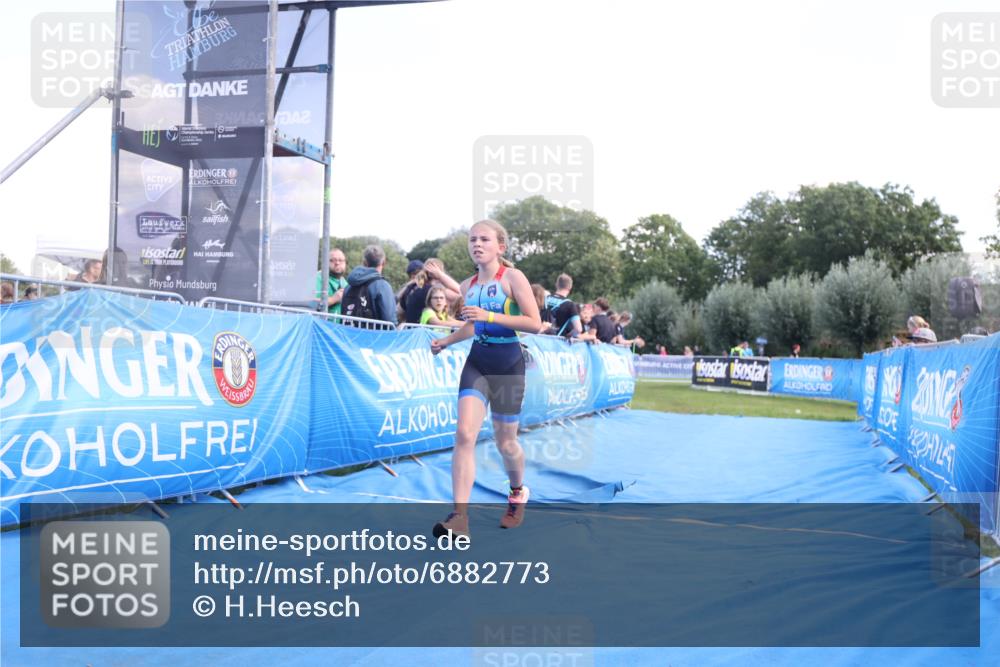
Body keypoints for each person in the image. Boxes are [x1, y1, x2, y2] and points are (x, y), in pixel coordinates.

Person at [429, 220, 541, 538]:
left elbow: (534, 323)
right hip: (477, 363)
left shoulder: (513, 278)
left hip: (508, 367)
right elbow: (472, 325)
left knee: (506, 443)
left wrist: (490, 315)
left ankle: (517, 492)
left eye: (484, 239)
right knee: (464, 434)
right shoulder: (468, 286)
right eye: (472, 239)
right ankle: (459, 517)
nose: (477, 244)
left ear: (500, 247)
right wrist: (446, 341)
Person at [342, 245, 397, 324]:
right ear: (384, 262)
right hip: (373, 332)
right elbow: (389, 320)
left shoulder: (348, 286)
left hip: (347, 331)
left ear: (365, 262)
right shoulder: (383, 286)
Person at [402, 258, 462, 325]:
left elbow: (400, 312)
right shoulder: (434, 290)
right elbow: (462, 293)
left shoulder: (411, 288)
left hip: (411, 329)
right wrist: (441, 275)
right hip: (426, 331)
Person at [544, 273, 582, 339]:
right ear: (570, 287)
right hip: (556, 340)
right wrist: (568, 336)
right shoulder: (570, 305)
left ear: (556, 284)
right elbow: (578, 329)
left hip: (537, 338)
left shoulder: (544, 298)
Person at [315, 248, 349, 314]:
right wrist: (333, 299)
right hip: (319, 320)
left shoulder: (346, 284)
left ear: (345, 263)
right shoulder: (317, 278)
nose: (337, 263)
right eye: (332, 260)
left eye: (341, 260)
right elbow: (309, 304)